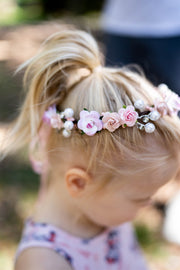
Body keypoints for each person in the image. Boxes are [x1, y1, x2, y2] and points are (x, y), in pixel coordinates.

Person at [1, 28, 180, 270]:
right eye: (141, 198)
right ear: (78, 183)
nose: (149, 204)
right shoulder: (44, 262)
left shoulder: (102, 206)